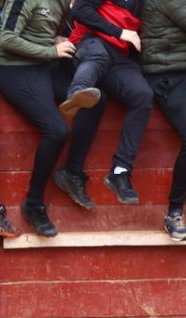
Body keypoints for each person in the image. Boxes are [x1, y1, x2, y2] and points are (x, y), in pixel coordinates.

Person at [0, 0, 76, 236]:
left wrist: (56, 40)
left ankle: (72, 173)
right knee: (57, 131)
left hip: (42, 66)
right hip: (13, 67)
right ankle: (33, 203)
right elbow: (7, 39)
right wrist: (51, 50)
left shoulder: (64, 4)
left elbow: (42, 33)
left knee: (95, 97)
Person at [59, 0, 153, 209]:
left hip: (119, 57)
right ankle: (76, 93)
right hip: (89, 44)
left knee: (143, 95)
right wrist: (119, 32)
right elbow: (80, 10)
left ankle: (120, 172)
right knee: (98, 54)